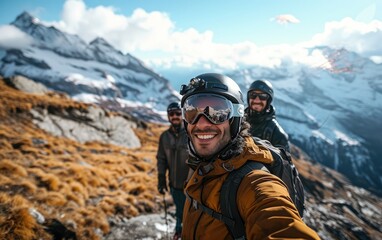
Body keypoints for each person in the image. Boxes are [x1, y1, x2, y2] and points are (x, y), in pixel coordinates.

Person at [179, 73, 320, 239]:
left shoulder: (253, 182)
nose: (201, 123)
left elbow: (276, 217)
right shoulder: (202, 166)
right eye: (191, 111)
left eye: (218, 112)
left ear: (236, 120)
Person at [156, 102, 190, 240]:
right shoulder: (164, 137)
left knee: (190, 212)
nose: (175, 116)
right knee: (179, 211)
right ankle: (178, 232)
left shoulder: (190, 134)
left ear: (182, 115)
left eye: (177, 113)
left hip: (190, 185)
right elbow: (161, 159)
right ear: (168, 116)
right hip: (174, 185)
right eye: (171, 114)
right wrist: (161, 178)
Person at [245, 79, 290, 152]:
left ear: (269, 100)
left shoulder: (277, 133)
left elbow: (286, 162)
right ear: (248, 97)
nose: (257, 100)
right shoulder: (239, 121)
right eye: (253, 95)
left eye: (262, 96)